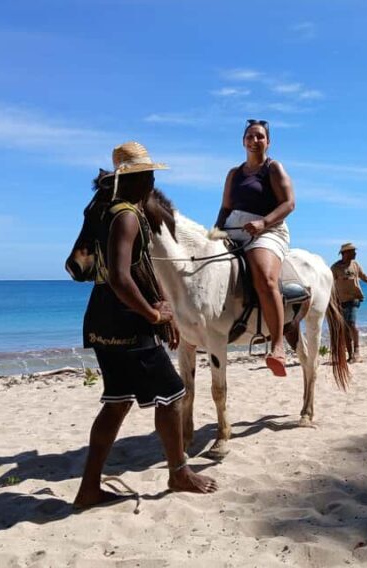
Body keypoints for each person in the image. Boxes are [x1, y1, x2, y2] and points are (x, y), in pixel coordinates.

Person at [75, 141, 217, 510]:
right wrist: (154, 316)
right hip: (125, 324)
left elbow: (130, 272)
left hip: (100, 319)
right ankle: (178, 472)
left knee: (117, 403)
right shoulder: (126, 216)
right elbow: (123, 277)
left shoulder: (107, 213)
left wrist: (157, 305)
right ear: (131, 179)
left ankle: (89, 487)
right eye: (146, 174)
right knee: (172, 395)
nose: (153, 179)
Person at [215, 120, 295, 377]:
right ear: (243, 141)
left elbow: (289, 203)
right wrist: (215, 232)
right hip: (233, 228)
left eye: (260, 136)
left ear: (267, 142)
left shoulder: (273, 168)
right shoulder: (233, 174)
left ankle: (278, 345)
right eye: (250, 136)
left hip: (268, 229)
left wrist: (263, 222)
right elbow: (225, 208)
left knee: (264, 276)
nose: (254, 140)